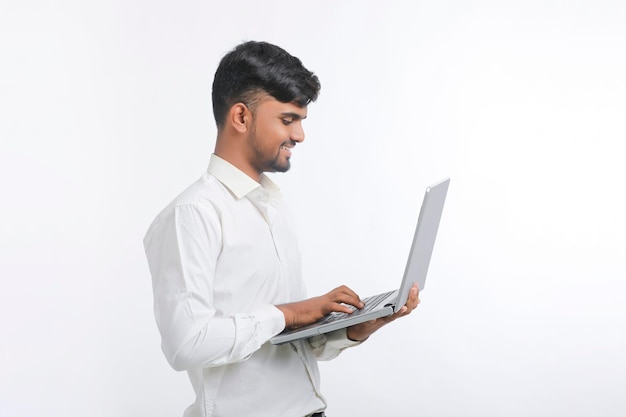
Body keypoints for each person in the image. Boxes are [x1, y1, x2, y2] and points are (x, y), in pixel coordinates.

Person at [143, 40, 420, 417]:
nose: (300, 135)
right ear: (241, 118)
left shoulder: (272, 206)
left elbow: (281, 342)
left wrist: (354, 329)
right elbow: (186, 343)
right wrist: (288, 313)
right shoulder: (192, 214)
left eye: (301, 121)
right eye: (288, 120)